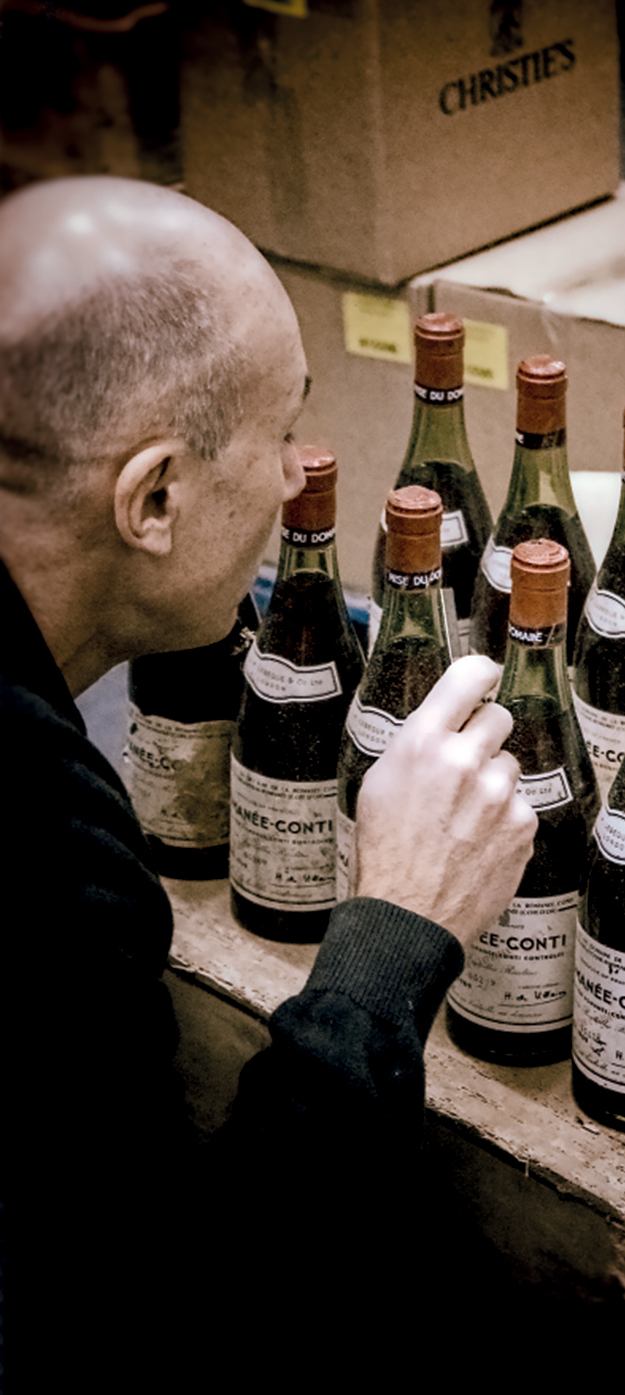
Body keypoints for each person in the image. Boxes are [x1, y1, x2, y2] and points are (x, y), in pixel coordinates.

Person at [0, 175, 537, 1393]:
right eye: (282, 436)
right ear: (153, 500)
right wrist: (391, 936)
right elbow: (194, 1326)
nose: (304, 479)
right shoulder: (46, 852)